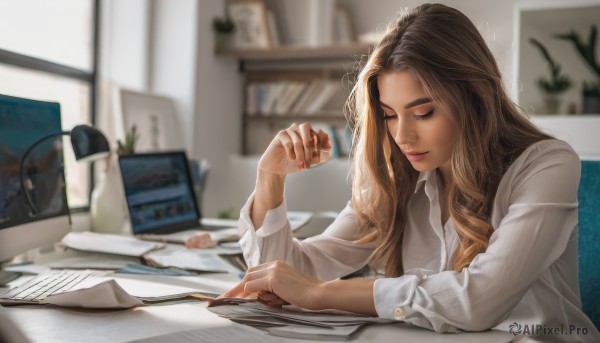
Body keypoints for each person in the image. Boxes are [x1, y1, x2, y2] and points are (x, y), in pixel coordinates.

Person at [221, 3, 600, 341]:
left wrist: (319, 294)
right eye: (389, 115)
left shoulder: (547, 165)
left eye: (423, 113)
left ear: (474, 99)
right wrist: (270, 176)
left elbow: (477, 301)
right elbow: (290, 274)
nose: (402, 136)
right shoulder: (395, 179)